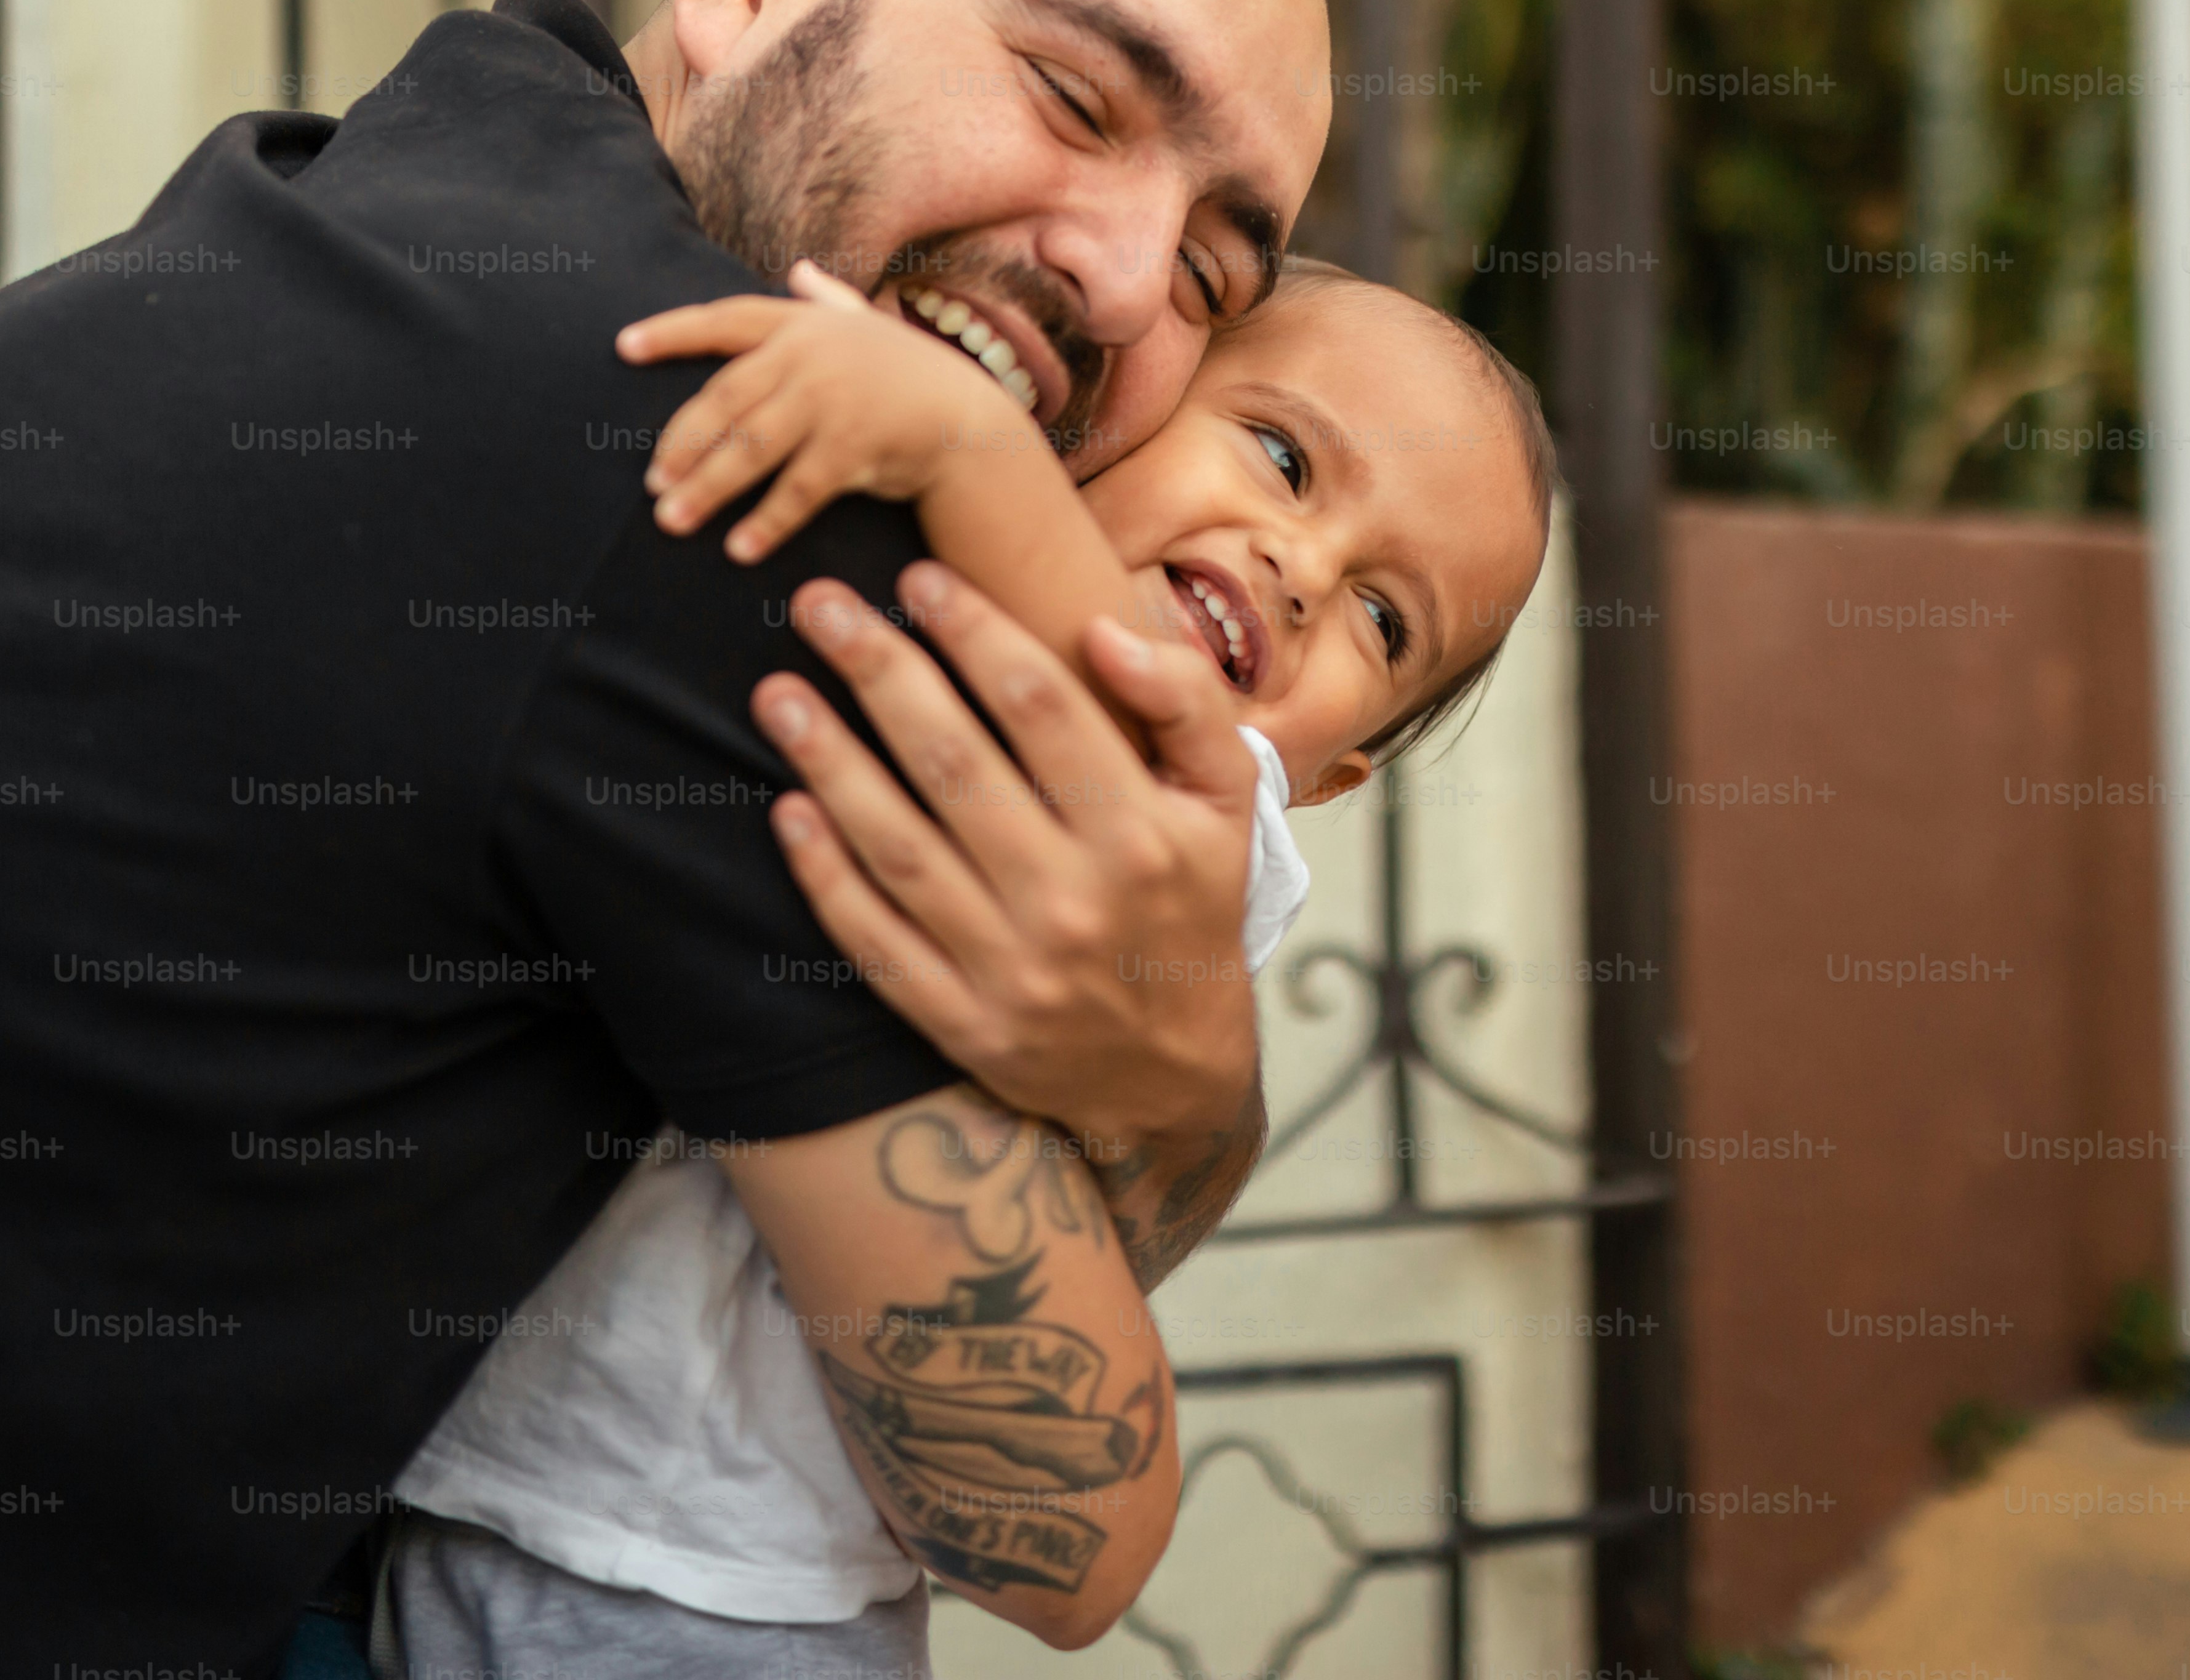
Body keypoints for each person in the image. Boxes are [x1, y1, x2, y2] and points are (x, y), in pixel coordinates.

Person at [0, 0, 1329, 1670]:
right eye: (1073, 97)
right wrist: (1190, 1075)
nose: (1110, 276)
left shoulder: (418, 213)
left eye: (1210, 270)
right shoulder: (704, 466)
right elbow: (1067, 1527)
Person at [377, 259, 1557, 1674]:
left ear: (1333, 775)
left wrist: (963, 437)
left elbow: (1096, 669)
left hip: (726, 1599)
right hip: (483, 1496)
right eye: (1287, 457)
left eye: (1383, 621)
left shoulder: (1197, 814)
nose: (1302, 573)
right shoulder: (928, 610)